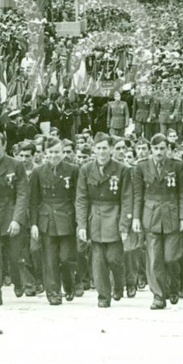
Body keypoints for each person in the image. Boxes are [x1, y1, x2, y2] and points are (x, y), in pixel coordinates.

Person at [131, 133, 183, 310]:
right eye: (155, 149)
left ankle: (174, 285)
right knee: (154, 258)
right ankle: (158, 295)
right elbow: (138, 195)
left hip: (172, 213)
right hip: (151, 215)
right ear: (150, 150)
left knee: (172, 257)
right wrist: (136, 217)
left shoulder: (178, 167)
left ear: (168, 149)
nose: (159, 152)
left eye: (162, 148)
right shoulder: (141, 167)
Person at [75, 132, 133, 308]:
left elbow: (127, 198)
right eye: (98, 148)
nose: (101, 152)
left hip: (114, 216)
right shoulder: (85, 170)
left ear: (111, 150)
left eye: (105, 148)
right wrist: (82, 224)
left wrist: (124, 225)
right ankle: (103, 295)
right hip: (95, 217)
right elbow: (81, 198)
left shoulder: (122, 169)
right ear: (93, 149)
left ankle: (119, 284)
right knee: (98, 260)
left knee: (114, 258)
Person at [0, 130, 32, 306]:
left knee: (14, 256)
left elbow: (22, 194)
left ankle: (18, 281)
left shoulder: (16, 166)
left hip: (11, 213)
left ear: (4, 146)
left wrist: (17, 219)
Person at [29, 136, 80, 305]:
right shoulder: (38, 172)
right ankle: (53, 292)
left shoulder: (73, 170)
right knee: (49, 259)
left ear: (63, 152)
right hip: (46, 218)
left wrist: (79, 221)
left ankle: (69, 284)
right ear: (45, 153)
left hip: (67, 217)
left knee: (66, 258)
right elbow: (34, 200)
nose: (54, 155)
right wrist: (34, 223)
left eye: (57, 152)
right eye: (50, 152)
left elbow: (78, 197)